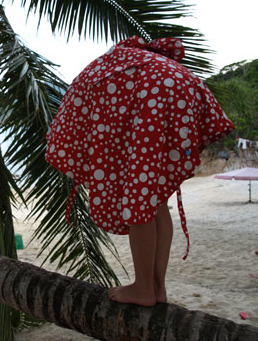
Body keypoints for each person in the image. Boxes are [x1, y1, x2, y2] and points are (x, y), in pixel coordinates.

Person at [45, 36, 234, 306]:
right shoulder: (143, 62)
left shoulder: (106, 69)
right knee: (156, 202)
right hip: (183, 89)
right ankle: (157, 287)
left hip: (154, 96)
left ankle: (144, 287)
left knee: (139, 200)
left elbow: (80, 131)